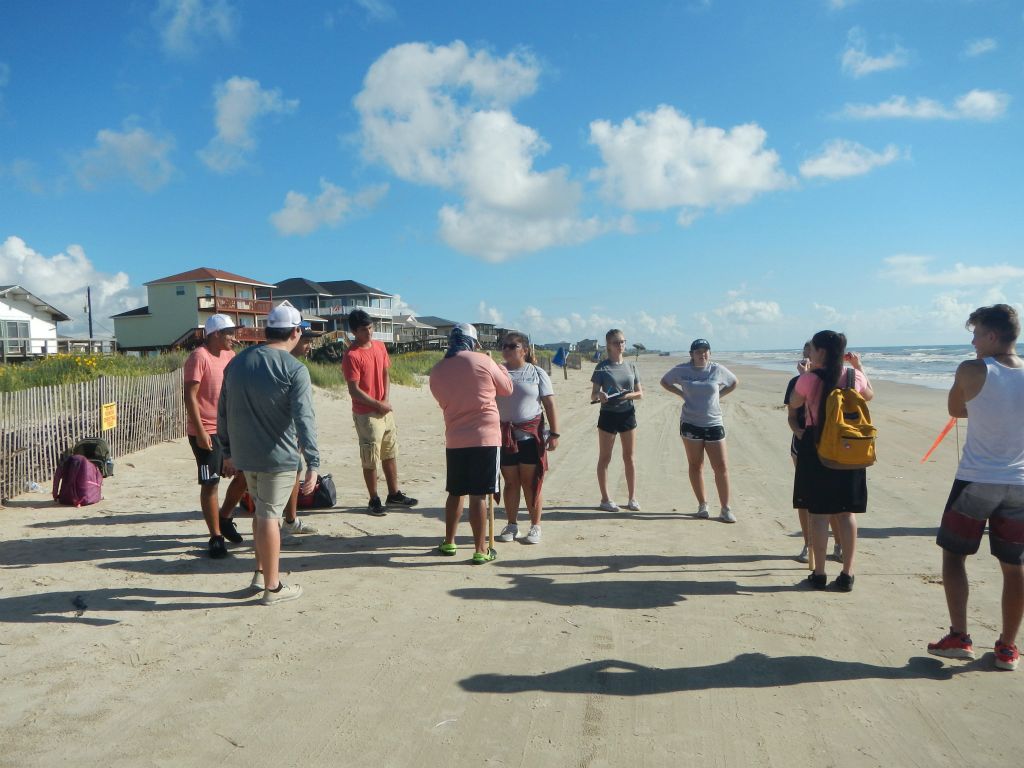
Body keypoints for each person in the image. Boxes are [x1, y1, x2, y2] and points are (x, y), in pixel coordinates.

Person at [928, 304, 1023, 671]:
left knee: (954, 555)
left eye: (977, 334)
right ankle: (1007, 647)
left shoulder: (973, 369)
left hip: (977, 479)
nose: (972, 341)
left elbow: (956, 408)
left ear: (993, 336)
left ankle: (959, 635)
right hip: (1018, 482)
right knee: (1014, 565)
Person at [218, 303, 319, 605]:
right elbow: (305, 418)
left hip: (246, 454)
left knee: (261, 513)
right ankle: (272, 588)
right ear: (295, 332)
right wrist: (313, 462)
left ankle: (259, 575)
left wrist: (226, 449)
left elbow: (223, 410)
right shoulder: (294, 368)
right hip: (279, 457)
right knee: (269, 518)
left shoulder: (238, 362)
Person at [787, 330, 873, 592]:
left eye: (812, 348)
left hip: (818, 445)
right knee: (846, 513)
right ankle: (847, 573)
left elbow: (795, 403)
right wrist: (858, 367)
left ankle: (820, 572)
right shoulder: (852, 376)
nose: (809, 352)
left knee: (819, 512)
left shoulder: (809, 379)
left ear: (821, 352)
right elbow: (869, 395)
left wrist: (805, 376)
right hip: (848, 445)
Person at [429, 323, 513, 563]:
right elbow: (506, 388)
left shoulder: (437, 370)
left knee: (455, 492)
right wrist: (496, 364)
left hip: (455, 437)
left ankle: (449, 542)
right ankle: (480, 549)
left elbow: (441, 399)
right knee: (478, 495)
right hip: (485, 437)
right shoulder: (483, 361)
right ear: (472, 341)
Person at [183, 314, 248, 559]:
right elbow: (190, 395)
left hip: (230, 428)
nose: (234, 337)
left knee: (245, 476)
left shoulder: (231, 357)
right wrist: (200, 432)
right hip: (206, 429)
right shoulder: (199, 356)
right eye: (229, 333)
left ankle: (225, 517)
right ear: (215, 334)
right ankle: (216, 536)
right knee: (210, 482)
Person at [342, 309, 418, 516]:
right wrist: (377, 404)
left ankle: (394, 493)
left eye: (370, 327)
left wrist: (385, 400)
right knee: (370, 457)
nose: (369, 332)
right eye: (364, 329)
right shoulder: (352, 355)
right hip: (366, 413)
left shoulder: (379, 346)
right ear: (354, 332)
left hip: (384, 409)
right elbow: (353, 389)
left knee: (390, 452)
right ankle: (373, 498)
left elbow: (385, 372)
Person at [660, 339, 738, 523]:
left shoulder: (716, 369)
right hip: (690, 424)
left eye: (705, 351)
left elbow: (734, 382)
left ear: (709, 353)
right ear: (691, 354)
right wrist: (681, 394)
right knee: (696, 465)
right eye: (698, 351)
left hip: (713, 423)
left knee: (721, 467)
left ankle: (725, 508)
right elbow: (665, 381)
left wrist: (719, 396)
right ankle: (703, 505)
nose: (702, 354)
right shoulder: (682, 370)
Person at [496, 332, 560, 545]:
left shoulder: (536, 372)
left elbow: (549, 404)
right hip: (505, 437)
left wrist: (554, 434)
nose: (506, 349)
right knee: (510, 483)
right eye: (503, 345)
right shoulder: (498, 372)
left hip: (530, 436)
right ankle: (512, 524)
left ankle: (535, 526)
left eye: (512, 346)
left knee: (531, 483)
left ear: (524, 350)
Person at [784, 342, 842, 562]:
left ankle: (838, 544)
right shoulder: (796, 382)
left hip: (832, 443)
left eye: (814, 353)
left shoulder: (836, 378)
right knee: (806, 496)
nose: (810, 358)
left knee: (833, 497)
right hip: (804, 442)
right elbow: (792, 413)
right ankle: (808, 545)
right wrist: (798, 432)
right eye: (807, 353)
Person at [591, 329, 642, 512]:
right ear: (608, 345)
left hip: (627, 413)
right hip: (608, 415)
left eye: (622, 341)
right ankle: (605, 499)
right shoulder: (602, 367)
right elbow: (594, 394)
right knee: (605, 457)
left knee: (629, 457)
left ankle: (632, 498)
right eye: (616, 342)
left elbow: (639, 393)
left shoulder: (631, 366)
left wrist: (626, 395)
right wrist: (601, 395)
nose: (620, 345)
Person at [279, 321, 322, 535]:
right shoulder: (286, 366)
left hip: (293, 434)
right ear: (294, 337)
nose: (309, 346)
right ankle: (224, 517)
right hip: (278, 436)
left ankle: (290, 521)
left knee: (294, 473)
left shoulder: (297, 367)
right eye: (306, 341)